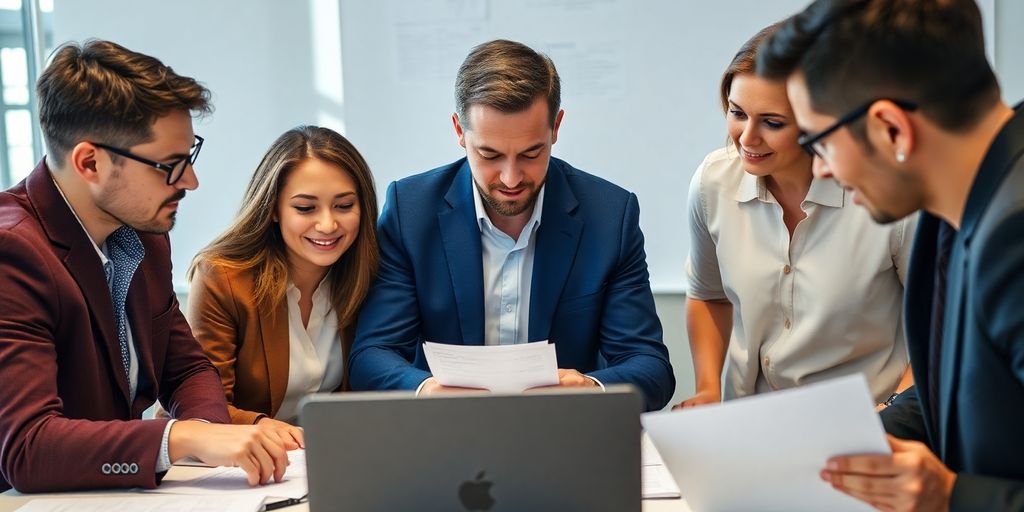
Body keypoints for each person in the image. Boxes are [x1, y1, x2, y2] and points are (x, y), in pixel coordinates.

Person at [759, 0, 1024, 509]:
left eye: (819, 143)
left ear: (891, 128)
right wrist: (837, 459)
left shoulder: (1015, 239)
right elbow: (953, 389)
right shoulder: (951, 208)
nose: (821, 171)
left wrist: (952, 497)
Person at [0, 40, 296, 493]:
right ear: (90, 162)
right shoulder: (13, 252)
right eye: (170, 166)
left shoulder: (145, 237)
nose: (191, 182)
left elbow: (187, 370)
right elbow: (28, 449)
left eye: (189, 157)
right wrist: (183, 436)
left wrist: (212, 440)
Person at [348, 39, 674, 411]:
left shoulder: (610, 216)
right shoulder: (411, 211)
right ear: (459, 131)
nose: (511, 177)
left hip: (562, 430)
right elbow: (371, 356)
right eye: (489, 154)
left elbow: (651, 368)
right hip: (445, 428)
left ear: (556, 127)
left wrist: (591, 389)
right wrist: (425, 391)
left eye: (531, 153)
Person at [677, 23, 915, 409]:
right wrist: (707, 388)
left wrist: (895, 409)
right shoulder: (713, 182)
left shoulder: (887, 197)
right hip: (751, 421)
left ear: (818, 122)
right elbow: (708, 294)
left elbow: (937, 328)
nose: (746, 138)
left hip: (868, 425)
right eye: (737, 113)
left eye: (772, 123)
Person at [187, 126, 379, 427]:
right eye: (305, 208)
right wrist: (264, 428)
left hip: (331, 458)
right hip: (242, 462)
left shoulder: (370, 273)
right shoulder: (221, 277)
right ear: (273, 209)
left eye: (344, 206)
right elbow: (201, 408)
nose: (328, 225)